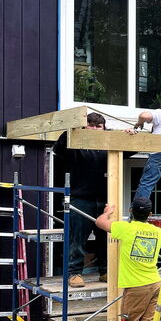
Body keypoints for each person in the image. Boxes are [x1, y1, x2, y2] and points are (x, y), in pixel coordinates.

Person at [95, 197, 161, 321]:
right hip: (155, 283)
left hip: (136, 287)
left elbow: (100, 222)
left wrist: (108, 212)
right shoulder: (158, 232)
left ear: (131, 212)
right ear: (150, 214)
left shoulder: (126, 229)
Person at [53, 112, 109, 288]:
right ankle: (74, 273)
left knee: (105, 238)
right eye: (90, 125)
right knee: (77, 239)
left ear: (104, 129)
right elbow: (59, 147)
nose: (94, 129)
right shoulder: (75, 146)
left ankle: (105, 270)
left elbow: (131, 148)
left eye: (98, 126)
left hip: (105, 200)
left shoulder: (109, 145)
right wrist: (72, 128)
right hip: (81, 199)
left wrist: (131, 133)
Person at [126, 97, 161, 214]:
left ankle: (137, 213)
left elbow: (144, 115)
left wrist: (139, 123)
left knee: (147, 184)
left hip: (159, 154)